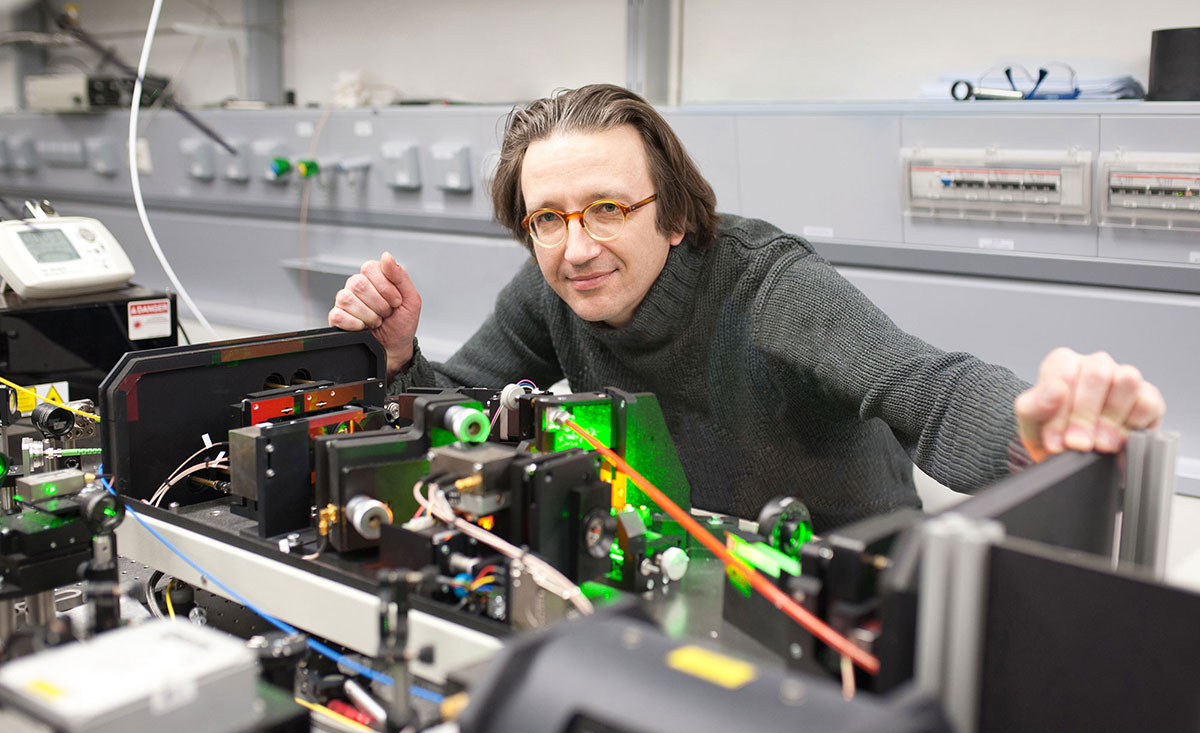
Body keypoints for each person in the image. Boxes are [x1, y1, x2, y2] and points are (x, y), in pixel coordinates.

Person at [329, 84, 1164, 531]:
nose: (576, 247)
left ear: (677, 213)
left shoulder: (769, 287)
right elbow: (461, 408)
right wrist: (399, 358)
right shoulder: (552, 294)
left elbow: (929, 389)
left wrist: (1041, 433)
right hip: (677, 567)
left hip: (838, 577)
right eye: (548, 218)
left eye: (608, 208)